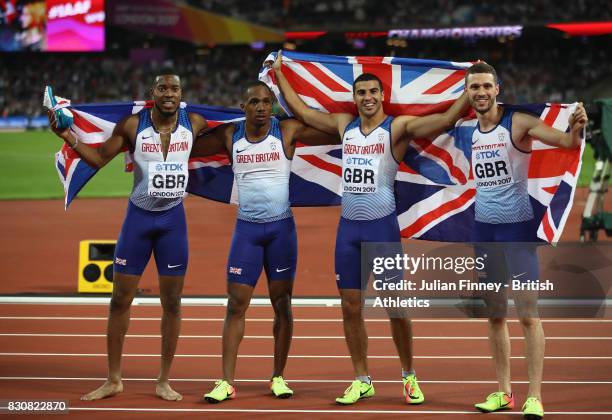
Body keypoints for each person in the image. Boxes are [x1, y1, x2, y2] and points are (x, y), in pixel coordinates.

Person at [272, 51, 469, 405]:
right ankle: (361, 377)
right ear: (356, 97)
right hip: (349, 230)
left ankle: (409, 375)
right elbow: (301, 112)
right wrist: (280, 73)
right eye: (361, 93)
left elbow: (443, 120)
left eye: (372, 93)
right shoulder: (343, 124)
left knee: (396, 306)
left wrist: (469, 92)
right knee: (350, 306)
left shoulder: (398, 126)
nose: (366, 98)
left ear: (381, 96)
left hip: (382, 229)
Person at [48, 73, 209, 401]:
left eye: (174, 88)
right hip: (138, 220)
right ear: (153, 93)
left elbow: (237, 129)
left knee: (172, 303)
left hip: (172, 222)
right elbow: (97, 159)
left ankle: (164, 380)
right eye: (162, 88)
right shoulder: (133, 126)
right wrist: (66, 134)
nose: (168, 93)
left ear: (182, 94)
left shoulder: (195, 122)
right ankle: (114, 379)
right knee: (120, 299)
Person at [192, 81, 340, 402]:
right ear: (243, 106)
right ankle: (226, 382)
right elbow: (183, 147)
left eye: (266, 101)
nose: (261, 107)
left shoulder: (285, 130)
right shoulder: (230, 136)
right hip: (246, 232)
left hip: (280, 231)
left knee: (282, 305)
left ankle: (278, 377)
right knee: (235, 305)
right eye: (254, 102)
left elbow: (338, 133)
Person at [464, 62, 587, 419]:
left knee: (528, 316)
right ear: (468, 93)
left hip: (517, 232)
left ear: (498, 88)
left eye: (487, 86)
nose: (481, 93)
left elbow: (564, 142)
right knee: (495, 316)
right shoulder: (467, 130)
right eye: (475, 88)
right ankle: (503, 392)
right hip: (484, 233)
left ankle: (534, 395)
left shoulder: (517, 123)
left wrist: (576, 127)